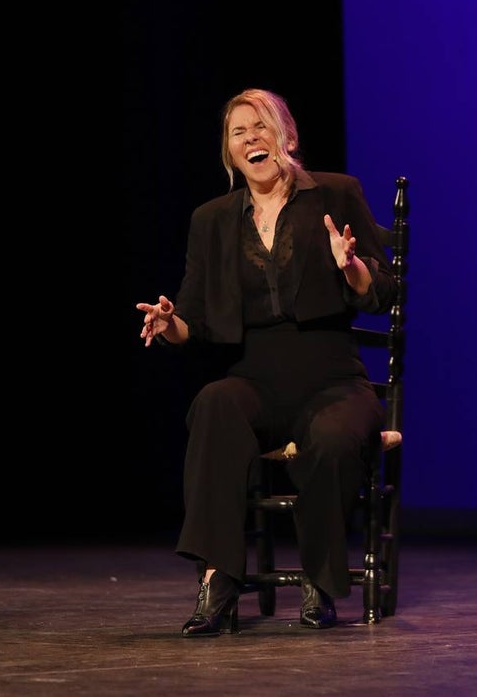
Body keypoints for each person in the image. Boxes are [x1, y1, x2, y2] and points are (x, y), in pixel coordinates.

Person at [135, 88, 397, 636]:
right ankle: (218, 579)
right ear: (229, 153)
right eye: (239, 132)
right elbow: (194, 318)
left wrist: (351, 269)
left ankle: (320, 582)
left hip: (333, 379)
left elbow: (383, 291)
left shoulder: (335, 193)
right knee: (214, 404)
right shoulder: (211, 220)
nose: (251, 138)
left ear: (289, 137)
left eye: (262, 127)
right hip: (258, 378)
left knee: (331, 438)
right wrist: (169, 325)